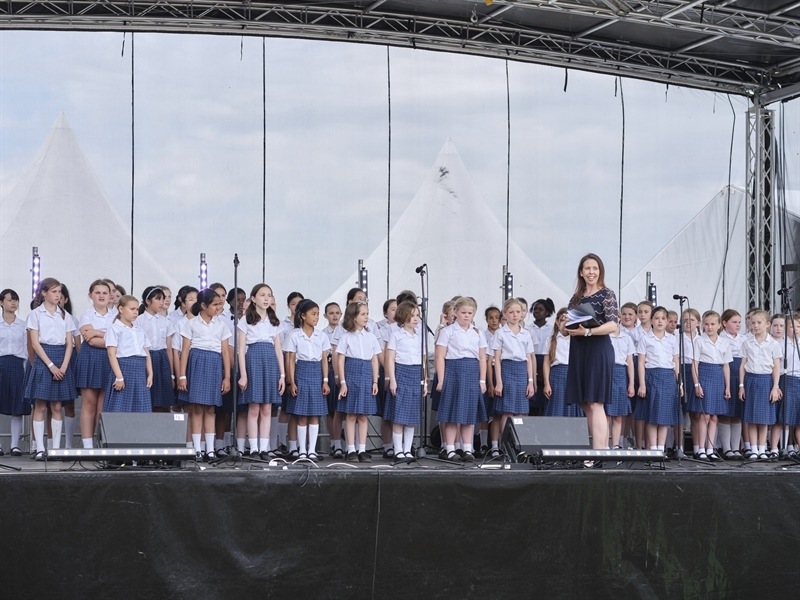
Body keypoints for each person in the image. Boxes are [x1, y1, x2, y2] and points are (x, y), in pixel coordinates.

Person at [563, 253, 618, 450]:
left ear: (600, 271)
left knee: (596, 403)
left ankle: (599, 452)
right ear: (581, 272)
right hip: (579, 351)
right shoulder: (576, 298)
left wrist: (587, 331)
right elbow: (566, 330)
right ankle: (599, 451)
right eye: (587, 268)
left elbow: (613, 325)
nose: (591, 272)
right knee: (585, 403)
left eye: (595, 268)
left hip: (598, 349)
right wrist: (564, 324)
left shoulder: (607, 294)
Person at [177, 288, 232, 461]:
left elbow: (225, 352)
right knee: (196, 408)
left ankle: (210, 450)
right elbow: (184, 351)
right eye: (214, 304)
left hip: (214, 364)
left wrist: (227, 376)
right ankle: (197, 449)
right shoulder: (191, 324)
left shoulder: (221, 325)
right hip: (197, 362)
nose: (218, 308)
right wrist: (182, 375)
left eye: (219, 304)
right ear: (203, 305)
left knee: (210, 408)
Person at [25, 278, 77, 460]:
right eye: (54, 291)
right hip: (44, 358)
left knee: (56, 405)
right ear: (44, 293)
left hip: (61, 357)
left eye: (59, 292)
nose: (58, 295)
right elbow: (35, 343)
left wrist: (63, 366)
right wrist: (51, 366)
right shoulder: (35, 314)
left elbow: (69, 344)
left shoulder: (65, 316)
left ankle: (55, 448)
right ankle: (40, 447)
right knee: (40, 404)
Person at [434, 296, 487, 463]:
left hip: (472, 371)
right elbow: (440, 356)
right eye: (463, 312)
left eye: (470, 313)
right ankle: (449, 448)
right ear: (455, 312)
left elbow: (482, 358)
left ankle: (467, 448)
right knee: (451, 413)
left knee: (469, 414)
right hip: (453, 371)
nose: (466, 316)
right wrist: (442, 379)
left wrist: (482, 380)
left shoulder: (478, 332)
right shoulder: (448, 331)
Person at [237, 284, 285, 459]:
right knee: (254, 408)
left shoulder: (275, 322)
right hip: (254, 361)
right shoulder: (246, 320)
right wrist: (243, 374)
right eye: (262, 295)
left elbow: (279, 350)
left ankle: (264, 448)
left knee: (267, 408)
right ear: (254, 298)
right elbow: (241, 349)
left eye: (269, 295)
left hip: (270, 361)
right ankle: (254, 448)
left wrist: (282, 375)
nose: (266, 298)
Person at [285, 299, 330, 461]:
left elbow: (324, 359)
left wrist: (325, 380)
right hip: (301, 372)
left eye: (317, 314)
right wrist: (291, 381)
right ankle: (302, 450)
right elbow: (290, 360)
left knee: (314, 415)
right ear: (303, 316)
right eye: (313, 314)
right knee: (302, 415)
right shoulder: (294, 335)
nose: (316, 317)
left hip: (316, 373)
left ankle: (312, 450)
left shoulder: (322, 336)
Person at [489, 298, 535, 458]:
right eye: (511, 312)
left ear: (522, 313)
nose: (515, 315)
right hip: (507, 369)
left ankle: (520, 446)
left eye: (518, 312)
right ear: (505, 314)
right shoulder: (501, 333)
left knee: (521, 412)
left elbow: (528, 358)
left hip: (521, 370)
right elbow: (497, 358)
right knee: (507, 411)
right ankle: (505, 445)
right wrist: (499, 382)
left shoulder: (526, 333)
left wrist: (530, 382)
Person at [336, 301, 381, 462]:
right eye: (363, 314)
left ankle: (362, 448)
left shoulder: (371, 337)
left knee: (363, 415)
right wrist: (343, 382)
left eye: (367, 314)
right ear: (354, 317)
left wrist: (375, 381)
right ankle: (350, 449)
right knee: (351, 414)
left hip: (366, 373)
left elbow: (375, 360)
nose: (366, 317)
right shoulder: (346, 337)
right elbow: (340, 360)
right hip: (351, 372)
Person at [75, 279, 114, 448]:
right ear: (90, 295)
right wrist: (110, 337)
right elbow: (90, 341)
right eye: (97, 292)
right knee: (89, 403)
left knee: (103, 405)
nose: (101, 296)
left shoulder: (116, 315)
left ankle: (101, 443)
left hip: (110, 359)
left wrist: (97, 332)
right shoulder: (86, 314)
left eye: (105, 293)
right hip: (90, 358)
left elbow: (121, 339)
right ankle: (87, 445)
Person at [384, 301, 426, 459]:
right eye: (412, 315)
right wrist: (392, 380)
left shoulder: (419, 336)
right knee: (399, 415)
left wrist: (424, 380)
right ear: (403, 316)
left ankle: (407, 449)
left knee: (411, 416)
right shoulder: (396, 335)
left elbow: (422, 360)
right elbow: (390, 359)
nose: (415, 319)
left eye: (417, 315)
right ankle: (398, 449)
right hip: (401, 372)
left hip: (416, 373)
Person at [739, 309, 782, 460]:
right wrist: (741, 386)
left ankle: (763, 448)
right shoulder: (746, 343)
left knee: (763, 418)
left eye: (759, 322)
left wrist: (775, 387)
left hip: (765, 381)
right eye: (753, 322)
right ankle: (753, 448)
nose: (755, 325)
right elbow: (743, 365)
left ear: (767, 324)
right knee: (751, 417)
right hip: (750, 380)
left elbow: (776, 367)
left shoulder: (773, 344)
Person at [637, 306, 680, 452]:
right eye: (656, 318)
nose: (660, 321)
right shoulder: (645, 339)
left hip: (668, 377)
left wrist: (678, 383)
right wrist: (642, 384)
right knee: (652, 415)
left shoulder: (672, 339)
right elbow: (641, 363)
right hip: (652, 377)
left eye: (663, 318)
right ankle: (653, 449)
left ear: (667, 321)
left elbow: (675, 361)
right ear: (651, 321)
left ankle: (661, 448)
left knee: (664, 416)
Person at [691, 310, 731, 461]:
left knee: (714, 417)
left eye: (713, 324)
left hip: (718, 376)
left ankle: (710, 448)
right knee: (704, 415)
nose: (709, 327)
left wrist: (727, 387)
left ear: (719, 325)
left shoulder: (724, 342)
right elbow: (694, 364)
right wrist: (697, 384)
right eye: (706, 324)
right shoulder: (699, 341)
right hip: (704, 375)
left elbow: (726, 366)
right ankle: (700, 449)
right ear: (702, 325)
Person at [105, 295, 153, 412]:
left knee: (140, 406)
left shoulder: (139, 330)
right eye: (132, 309)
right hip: (124, 368)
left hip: (140, 371)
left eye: (137, 309)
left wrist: (150, 373)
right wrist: (119, 377)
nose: (135, 312)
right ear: (121, 309)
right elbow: (111, 354)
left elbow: (146, 352)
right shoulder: (114, 328)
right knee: (120, 407)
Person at [136, 286, 173, 412]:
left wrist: (172, 374)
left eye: (163, 299)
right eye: (158, 299)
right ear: (148, 301)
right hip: (145, 358)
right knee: (147, 396)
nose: (162, 302)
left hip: (162, 358)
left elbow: (168, 348)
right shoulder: (138, 321)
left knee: (163, 399)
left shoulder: (166, 321)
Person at [0, 289, 28, 456]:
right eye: (10, 300)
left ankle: (15, 445)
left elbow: (26, 348)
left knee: (17, 406)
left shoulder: (23, 325)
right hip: (0, 362)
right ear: (1, 302)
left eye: (16, 300)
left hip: (18, 364)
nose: (13, 303)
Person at [719, 309, 744, 459]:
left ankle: (736, 448)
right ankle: (726, 448)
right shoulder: (721, 338)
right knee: (726, 413)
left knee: (737, 414)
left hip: (740, 374)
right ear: (724, 323)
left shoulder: (744, 339)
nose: (738, 325)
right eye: (734, 322)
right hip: (726, 373)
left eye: (739, 322)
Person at [543, 309, 575, 417]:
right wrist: (547, 384)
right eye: (562, 320)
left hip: (573, 374)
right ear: (557, 322)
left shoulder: (577, 340)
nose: (565, 323)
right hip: (557, 375)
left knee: (572, 406)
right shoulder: (550, 340)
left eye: (569, 320)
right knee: (556, 406)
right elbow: (546, 363)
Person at [608, 324, 634, 449]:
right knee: (606, 414)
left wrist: (631, 384)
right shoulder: (605, 336)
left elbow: (629, 362)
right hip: (606, 372)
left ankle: (616, 445)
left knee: (618, 415)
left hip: (621, 373)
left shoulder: (627, 338)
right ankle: (603, 445)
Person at [527, 298, 555, 416]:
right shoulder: (527, 329)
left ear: (547, 313)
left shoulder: (552, 329)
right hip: (532, 361)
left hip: (546, 361)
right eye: (535, 309)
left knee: (545, 400)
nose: (536, 312)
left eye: (540, 309)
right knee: (532, 399)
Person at [323, 302, 342, 456]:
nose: (335, 316)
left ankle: (346, 442)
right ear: (325, 316)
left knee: (341, 408)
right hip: (329, 368)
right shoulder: (322, 334)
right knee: (331, 409)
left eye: (337, 312)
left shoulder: (345, 331)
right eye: (331, 313)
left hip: (343, 369)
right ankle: (334, 441)